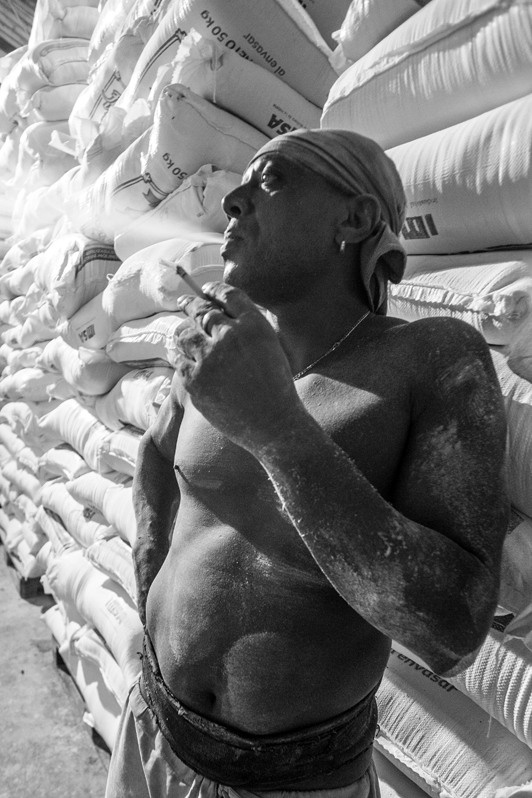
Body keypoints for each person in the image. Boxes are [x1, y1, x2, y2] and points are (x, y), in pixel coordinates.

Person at [105, 129, 508, 798]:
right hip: (152, 730)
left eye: (270, 182)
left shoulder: (431, 358)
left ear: (353, 219)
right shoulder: (221, 347)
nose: (231, 200)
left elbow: (452, 630)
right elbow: (155, 462)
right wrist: (151, 605)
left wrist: (278, 431)